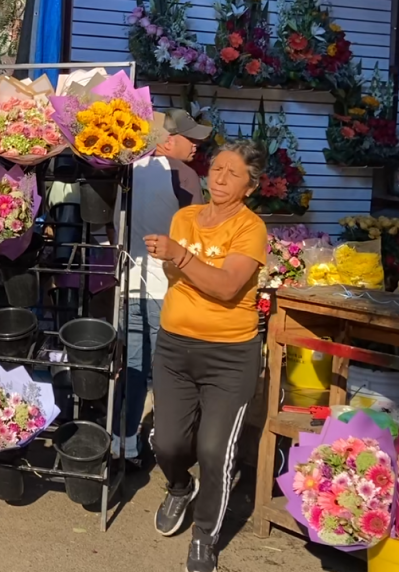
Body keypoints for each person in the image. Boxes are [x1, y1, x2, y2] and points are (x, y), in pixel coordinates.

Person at [144, 139, 267, 572]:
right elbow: (175, 272)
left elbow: (227, 287)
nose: (220, 177)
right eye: (216, 168)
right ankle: (179, 487)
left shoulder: (251, 228)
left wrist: (181, 255)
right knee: (167, 440)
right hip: (176, 346)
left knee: (216, 450)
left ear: (250, 186)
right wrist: (175, 257)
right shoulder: (186, 217)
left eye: (233, 173)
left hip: (230, 357)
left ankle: (204, 538)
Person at [112, 108, 211, 462]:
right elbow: (200, 234)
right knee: (170, 371)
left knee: (134, 366)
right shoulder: (182, 174)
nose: (198, 145)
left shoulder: (123, 170)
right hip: (167, 286)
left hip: (127, 284)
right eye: (190, 138)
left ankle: (122, 441)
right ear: (167, 141)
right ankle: (167, 443)